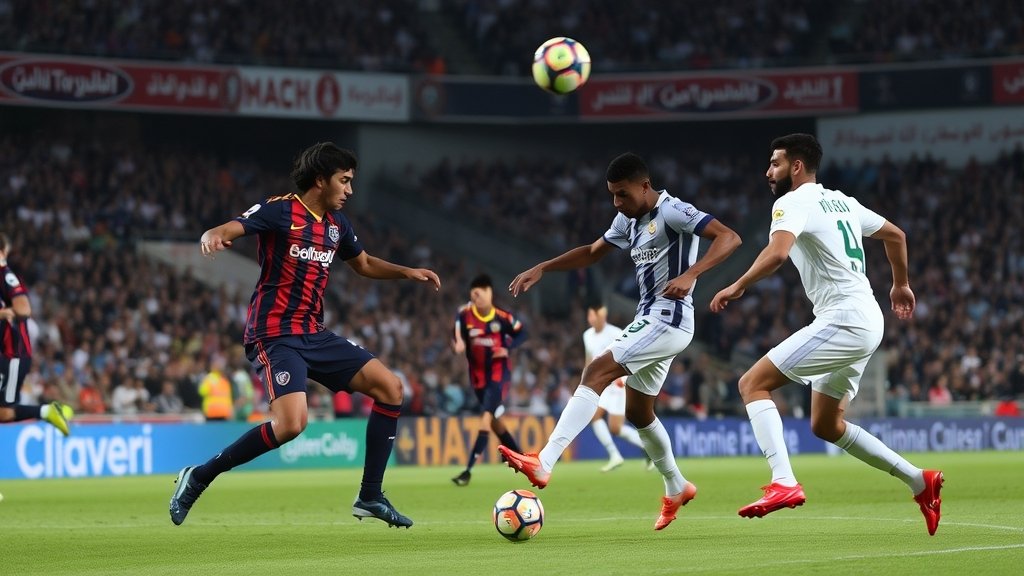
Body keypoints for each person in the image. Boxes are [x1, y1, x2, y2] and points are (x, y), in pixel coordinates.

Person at [169, 142, 441, 528]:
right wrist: (212, 233)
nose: (349, 190)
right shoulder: (281, 210)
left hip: (314, 333)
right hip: (275, 334)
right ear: (320, 179)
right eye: (344, 181)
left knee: (391, 388)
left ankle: (370, 495)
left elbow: (362, 263)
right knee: (292, 425)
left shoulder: (336, 225)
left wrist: (406, 271)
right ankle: (198, 477)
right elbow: (234, 226)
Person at [709, 133, 943, 535]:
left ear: (796, 166)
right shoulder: (843, 202)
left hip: (845, 319)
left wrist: (738, 283)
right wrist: (900, 283)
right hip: (867, 316)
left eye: (775, 163)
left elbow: (779, 253)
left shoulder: (792, 202)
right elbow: (897, 235)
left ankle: (783, 482)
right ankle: (920, 481)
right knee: (826, 425)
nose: (768, 171)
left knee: (752, 383)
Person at [499, 152, 742, 530]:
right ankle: (676, 486)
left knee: (595, 370)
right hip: (651, 319)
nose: (617, 203)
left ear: (645, 186)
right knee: (639, 413)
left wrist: (692, 274)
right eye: (612, 195)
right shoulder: (626, 219)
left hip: (670, 316)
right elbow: (592, 253)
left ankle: (543, 462)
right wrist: (543, 267)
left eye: (623, 194)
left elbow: (729, 237)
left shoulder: (673, 210)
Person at [450, 274, 526, 486]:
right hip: (477, 380)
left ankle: (467, 471)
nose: (478, 296)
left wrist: (507, 347)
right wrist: (457, 344)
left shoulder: (502, 317)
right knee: (494, 422)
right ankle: (519, 456)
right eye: (474, 293)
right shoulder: (465, 317)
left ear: (490, 293)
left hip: (498, 376)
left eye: (481, 292)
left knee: (485, 418)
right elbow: (457, 335)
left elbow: (522, 333)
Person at [0, 233, 72, 435]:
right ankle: (48, 411)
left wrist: (4, 313)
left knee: (4, 413)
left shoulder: (6, 276)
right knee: (3, 414)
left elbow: (23, 308)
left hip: (12, 353)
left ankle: (49, 411)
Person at [582, 302, 651, 472]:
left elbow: (630, 354)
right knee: (595, 416)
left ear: (602, 317)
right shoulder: (587, 335)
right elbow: (589, 360)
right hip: (602, 383)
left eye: (594, 315)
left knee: (615, 428)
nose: (591, 319)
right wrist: (583, 383)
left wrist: (625, 378)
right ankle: (614, 455)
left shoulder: (615, 333)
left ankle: (648, 448)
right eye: (589, 315)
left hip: (618, 384)